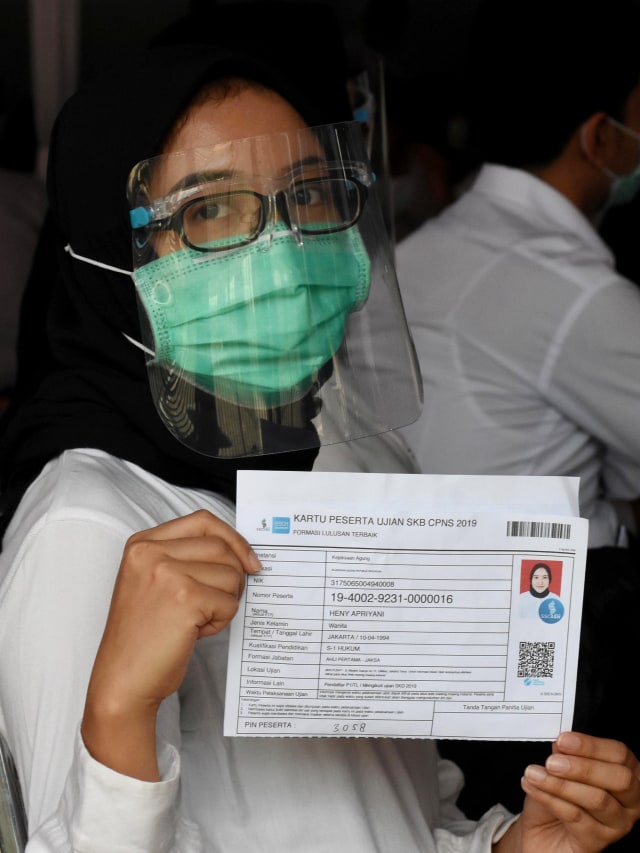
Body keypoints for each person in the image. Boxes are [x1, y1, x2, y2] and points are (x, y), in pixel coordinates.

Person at [0, 42, 639, 853]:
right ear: (108, 259)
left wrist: (511, 844)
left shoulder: (336, 465)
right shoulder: (88, 529)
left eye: (309, 196)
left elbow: (397, 818)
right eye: (208, 212)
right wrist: (119, 718)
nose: (286, 250)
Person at [393, 0, 640, 841]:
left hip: (422, 641)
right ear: (601, 137)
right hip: (553, 665)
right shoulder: (579, 297)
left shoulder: (415, 255)